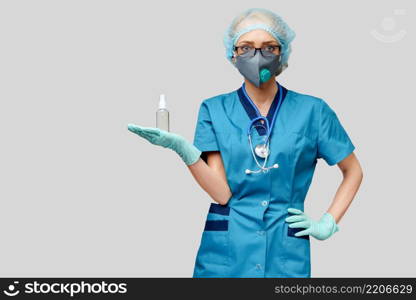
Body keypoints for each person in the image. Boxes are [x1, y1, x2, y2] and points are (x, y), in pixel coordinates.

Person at [127, 8, 363, 278]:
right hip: (226, 253)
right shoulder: (214, 109)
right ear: (233, 54)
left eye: (269, 48)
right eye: (247, 48)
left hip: (284, 250)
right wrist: (183, 149)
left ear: (282, 53)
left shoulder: (314, 111)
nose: (258, 56)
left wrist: (329, 221)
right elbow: (222, 194)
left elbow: (353, 170)